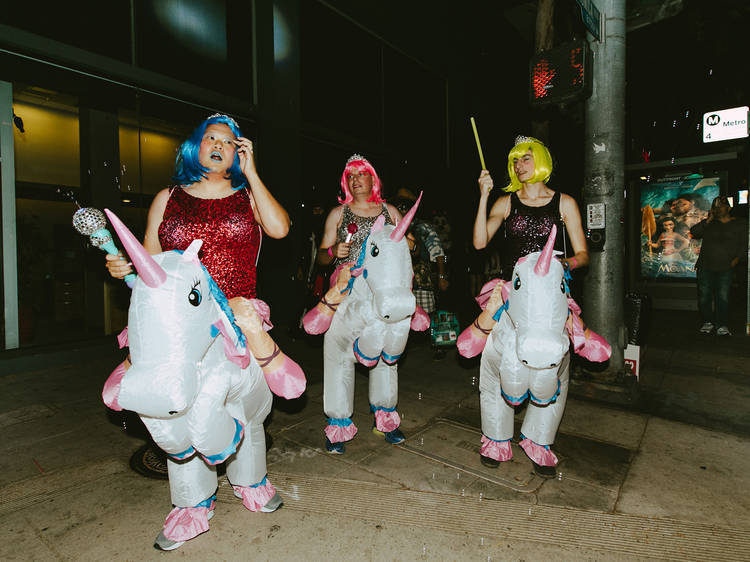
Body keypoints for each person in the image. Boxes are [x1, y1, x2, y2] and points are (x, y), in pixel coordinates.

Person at [105, 113, 292, 549]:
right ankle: (191, 503)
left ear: (237, 153)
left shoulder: (247, 197)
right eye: (211, 138)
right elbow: (151, 263)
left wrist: (253, 174)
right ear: (195, 145)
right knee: (178, 405)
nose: (218, 145)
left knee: (243, 404)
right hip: (178, 323)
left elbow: (281, 229)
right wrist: (126, 268)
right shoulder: (167, 197)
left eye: (229, 143)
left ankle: (250, 481)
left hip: (236, 314)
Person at [473, 136, 589, 279]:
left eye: (525, 159)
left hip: (550, 288)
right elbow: (479, 243)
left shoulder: (565, 203)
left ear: (541, 160)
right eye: (515, 161)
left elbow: (583, 256)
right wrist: (483, 196)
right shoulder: (505, 203)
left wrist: (564, 264)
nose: (518, 165)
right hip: (515, 290)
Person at [317, 154, 411, 268]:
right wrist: (332, 251)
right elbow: (320, 259)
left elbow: (415, 250)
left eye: (361, 174)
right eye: (350, 176)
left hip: (383, 282)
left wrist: (411, 246)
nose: (355, 179)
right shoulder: (337, 214)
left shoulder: (391, 212)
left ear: (372, 179)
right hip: (348, 282)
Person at [393, 191, 449, 359]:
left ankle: (438, 344)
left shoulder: (421, 227)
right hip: (400, 278)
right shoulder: (391, 225)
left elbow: (438, 252)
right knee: (402, 313)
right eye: (399, 206)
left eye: (405, 207)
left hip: (421, 278)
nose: (401, 210)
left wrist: (441, 277)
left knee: (429, 313)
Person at [690, 195, 746, 336]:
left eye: (721, 206)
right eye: (715, 207)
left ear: (728, 207)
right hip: (705, 266)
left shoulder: (739, 223)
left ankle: (722, 325)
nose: (718, 209)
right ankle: (708, 322)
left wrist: (737, 259)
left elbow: (744, 243)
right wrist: (708, 220)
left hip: (725, 267)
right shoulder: (709, 223)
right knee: (704, 297)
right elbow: (694, 232)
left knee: (723, 297)